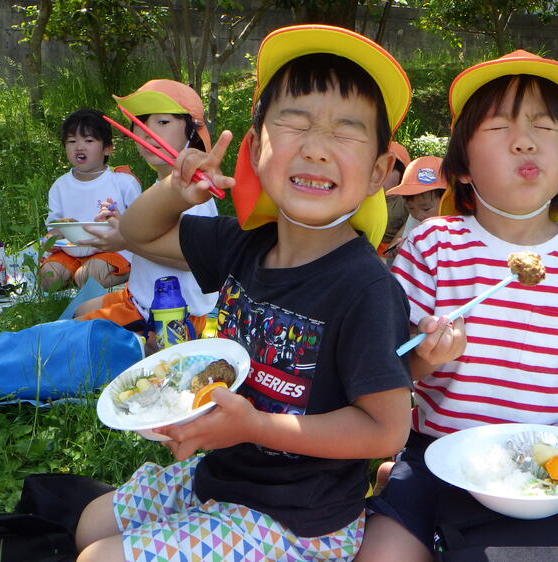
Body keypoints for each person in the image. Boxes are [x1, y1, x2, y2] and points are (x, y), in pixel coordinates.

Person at [74, 25, 414, 561]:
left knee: (100, 559)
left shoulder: (366, 287)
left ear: (376, 173)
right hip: (224, 473)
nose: (316, 149)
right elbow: (137, 234)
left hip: (301, 519)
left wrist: (254, 426)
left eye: (344, 132)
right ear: (256, 150)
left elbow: (385, 432)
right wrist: (173, 190)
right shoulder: (241, 245)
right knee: (88, 525)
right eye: (294, 123)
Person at [359, 50, 558, 561]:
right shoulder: (434, 246)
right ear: (463, 168)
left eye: (545, 127)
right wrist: (426, 357)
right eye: (500, 127)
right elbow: (393, 366)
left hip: (556, 470)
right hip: (438, 460)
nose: (525, 139)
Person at [72, 80, 220, 342]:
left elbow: (196, 261)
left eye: (162, 122)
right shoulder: (159, 184)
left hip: (171, 312)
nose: (148, 133)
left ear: (191, 131)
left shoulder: (195, 192)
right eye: (140, 123)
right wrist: (123, 226)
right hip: (136, 295)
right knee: (78, 310)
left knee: (71, 336)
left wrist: (128, 240)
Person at [39, 108, 141, 291]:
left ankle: (130, 271)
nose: (79, 147)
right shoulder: (60, 186)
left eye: (89, 140)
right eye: (72, 141)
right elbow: (55, 225)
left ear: (107, 147)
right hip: (70, 251)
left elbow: (139, 224)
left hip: (111, 250)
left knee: (87, 277)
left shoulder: (123, 182)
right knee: (48, 279)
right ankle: (74, 276)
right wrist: (52, 238)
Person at [385, 155, 447, 242]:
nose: (418, 215)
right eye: (411, 208)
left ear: (447, 200)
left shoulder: (456, 226)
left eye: (426, 209)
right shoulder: (416, 217)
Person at [378, 141, 411, 257]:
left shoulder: (406, 202)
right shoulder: (361, 194)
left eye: (390, 169)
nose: (380, 175)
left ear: (403, 175)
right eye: (376, 167)